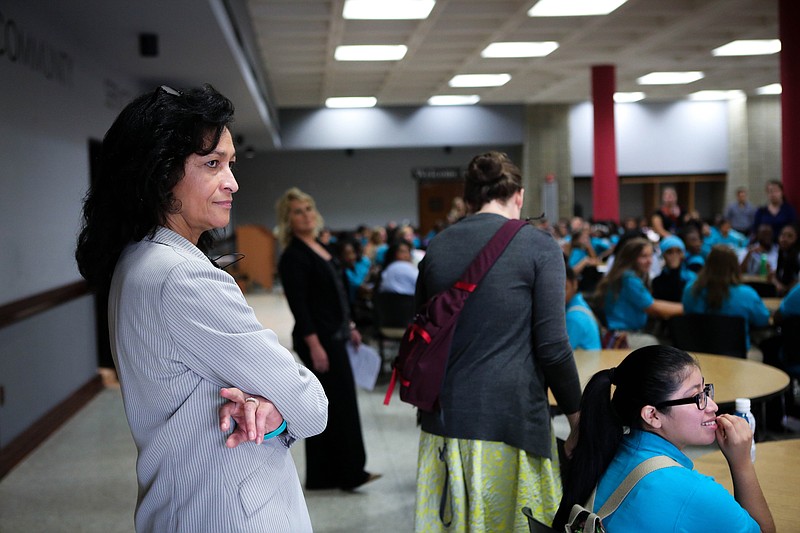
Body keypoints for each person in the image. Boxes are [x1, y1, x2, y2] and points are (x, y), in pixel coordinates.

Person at [74, 85, 328, 532]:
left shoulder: (137, 259)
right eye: (212, 164)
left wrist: (267, 407)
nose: (231, 182)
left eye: (229, 163)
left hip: (183, 502)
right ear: (159, 174)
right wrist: (282, 402)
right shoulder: (182, 277)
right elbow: (311, 407)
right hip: (229, 509)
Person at [413, 152, 581, 531]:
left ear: (469, 199)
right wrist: (577, 416)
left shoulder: (437, 247)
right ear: (518, 196)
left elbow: (423, 332)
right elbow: (552, 346)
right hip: (512, 419)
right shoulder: (539, 248)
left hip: (445, 418)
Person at [553, 345, 775, 533]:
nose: (713, 407)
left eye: (705, 392)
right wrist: (742, 463)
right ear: (653, 415)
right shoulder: (694, 492)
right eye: (696, 397)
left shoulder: (608, 449)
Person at [275, 187, 379, 491]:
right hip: (319, 339)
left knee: (334, 405)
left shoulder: (324, 247)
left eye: (308, 208)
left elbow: (336, 292)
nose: (306, 214)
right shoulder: (294, 256)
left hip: (336, 334)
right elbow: (301, 305)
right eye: (297, 211)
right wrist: (315, 344)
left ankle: (323, 476)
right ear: (288, 219)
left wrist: (350, 324)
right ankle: (350, 473)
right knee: (338, 405)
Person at [594, 237, 683, 349]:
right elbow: (653, 307)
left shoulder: (628, 276)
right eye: (643, 256)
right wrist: (686, 308)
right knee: (654, 343)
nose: (649, 261)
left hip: (621, 333)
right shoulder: (628, 278)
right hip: (621, 336)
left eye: (650, 256)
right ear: (631, 258)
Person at [682, 245, 770, 352]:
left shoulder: (690, 289)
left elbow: (688, 314)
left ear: (707, 264)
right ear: (735, 267)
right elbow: (763, 320)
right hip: (737, 357)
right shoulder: (747, 295)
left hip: (697, 353)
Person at [565, 265, 602, 350]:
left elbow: (562, 355)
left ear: (575, 284)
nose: (559, 294)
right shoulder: (579, 303)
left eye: (564, 288)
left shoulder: (573, 317)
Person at [652, 235, 696, 303]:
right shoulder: (657, 281)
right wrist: (674, 271)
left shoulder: (691, 278)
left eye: (678, 251)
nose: (674, 255)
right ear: (663, 255)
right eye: (670, 252)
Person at [772, 222, 800, 296]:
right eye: (783, 235)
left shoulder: (798, 256)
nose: (784, 239)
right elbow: (773, 275)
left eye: (790, 236)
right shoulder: (781, 253)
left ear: (796, 239)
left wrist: (786, 289)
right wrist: (778, 284)